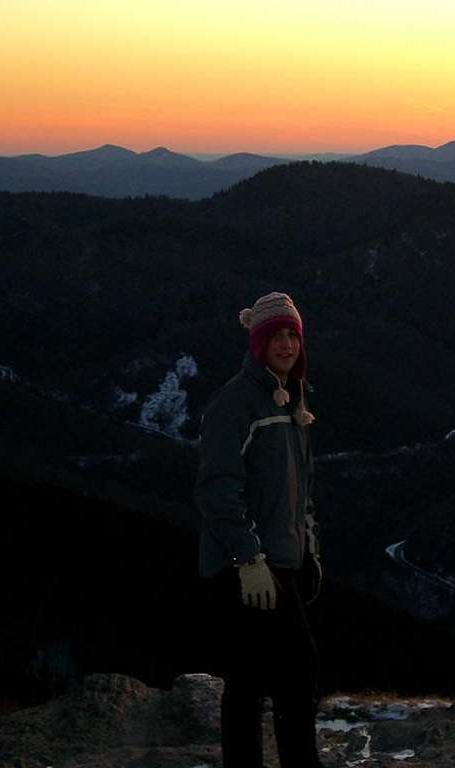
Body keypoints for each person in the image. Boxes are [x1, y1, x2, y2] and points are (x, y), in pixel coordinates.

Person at [194, 291, 324, 768]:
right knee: (289, 672)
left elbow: (299, 487)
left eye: (293, 335)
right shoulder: (237, 403)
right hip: (246, 563)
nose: (287, 344)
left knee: (257, 676)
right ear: (258, 343)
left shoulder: (290, 398)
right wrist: (248, 559)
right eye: (276, 336)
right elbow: (216, 489)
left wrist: (309, 550)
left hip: (278, 560)